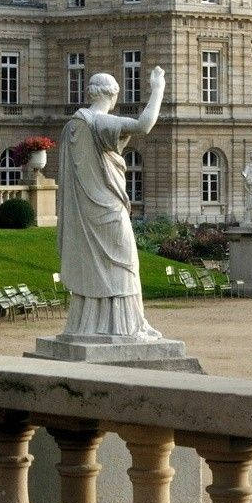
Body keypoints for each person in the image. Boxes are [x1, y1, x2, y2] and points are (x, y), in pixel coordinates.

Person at [54, 65, 166, 342]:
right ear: (113, 95)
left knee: (98, 266)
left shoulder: (73, 126)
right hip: (109, 210)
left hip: (86, 210)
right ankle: (126, 326)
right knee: (125, 265)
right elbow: (144, 124)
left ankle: (90, 325)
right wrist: (158, 89)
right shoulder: (101, 123)